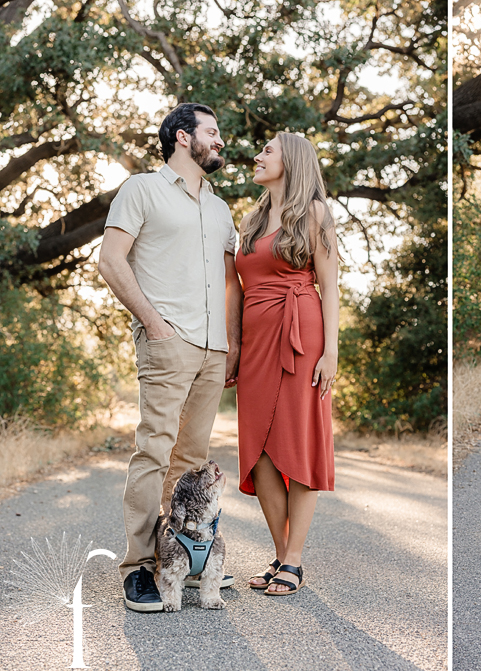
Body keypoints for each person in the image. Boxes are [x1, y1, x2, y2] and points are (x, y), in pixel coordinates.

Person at [99, 103, 242, 612]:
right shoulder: (142, 189)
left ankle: (183, 558)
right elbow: (110, 260)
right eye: (213, 131)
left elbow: (231, 282)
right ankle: (138, 567)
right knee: (154, 451)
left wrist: (233, 343)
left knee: (192, 461)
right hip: (168, 340)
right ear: (183, 137)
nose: (220, 140)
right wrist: (153, 323)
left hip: (213, 348)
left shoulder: (221, 208)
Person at [234, 132, 339, 595]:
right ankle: (282, 554)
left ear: (290, 160)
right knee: (257, 453)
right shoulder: (252, 219)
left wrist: (331, 351)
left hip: (303, 334)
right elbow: (236, 288)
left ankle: (293, 560)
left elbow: (331, 286)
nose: (257, 156)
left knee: (298, 444)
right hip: (256, 342)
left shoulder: (315, 213)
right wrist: (234, 349)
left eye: (267, 150)